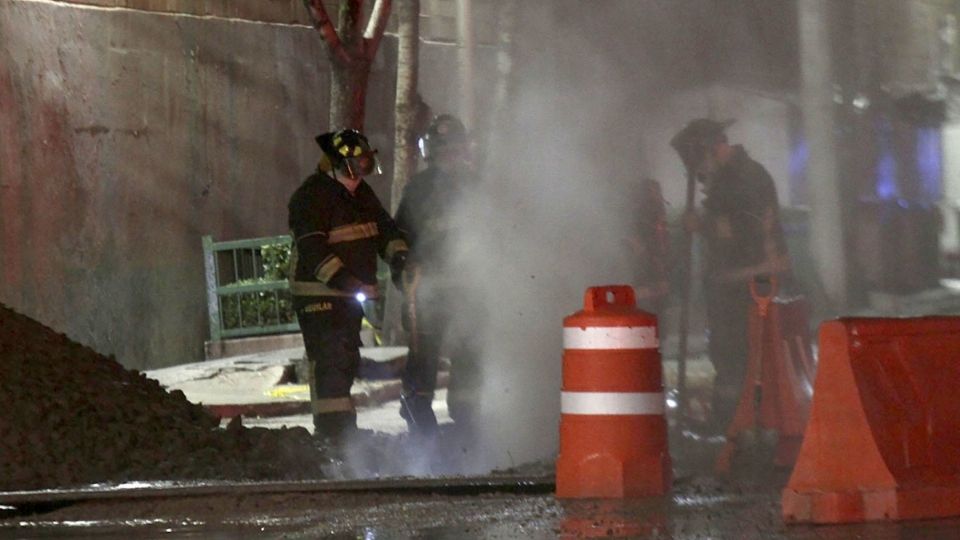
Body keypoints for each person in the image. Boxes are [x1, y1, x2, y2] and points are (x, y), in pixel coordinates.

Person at [287, 128, 408, 443]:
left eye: (366, 165)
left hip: (347, 295)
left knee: (346, 359)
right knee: (331, 360)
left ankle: (343, 434)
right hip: (319, 294)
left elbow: (385, 229)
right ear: (337, 164)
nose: (361, 173)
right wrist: (349, 282)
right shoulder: (311, 197)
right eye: (356, 166)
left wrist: (400, 257)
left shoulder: (362, 194)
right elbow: (314, 251)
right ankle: (332, 437)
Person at [669, 118, 790, 431]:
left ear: (710, 149)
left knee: (733, 354)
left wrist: (701, 226)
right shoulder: (739, 176)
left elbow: (743, 229)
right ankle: (740, 420)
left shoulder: (741, 179)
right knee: (735, 354)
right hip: (740, 281)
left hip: (746, 282)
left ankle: (732, 423)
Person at [394, 114, 482, 437]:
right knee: (424, 355)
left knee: (470, 353)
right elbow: (399, 238)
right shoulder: (418, 190)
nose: (449, 156)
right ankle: (418, 418)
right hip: (428, 290)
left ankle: (467, 417)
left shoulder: (476, 187)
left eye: (452, 148)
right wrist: (404, 278)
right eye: (443, 149)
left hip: (468, 290)